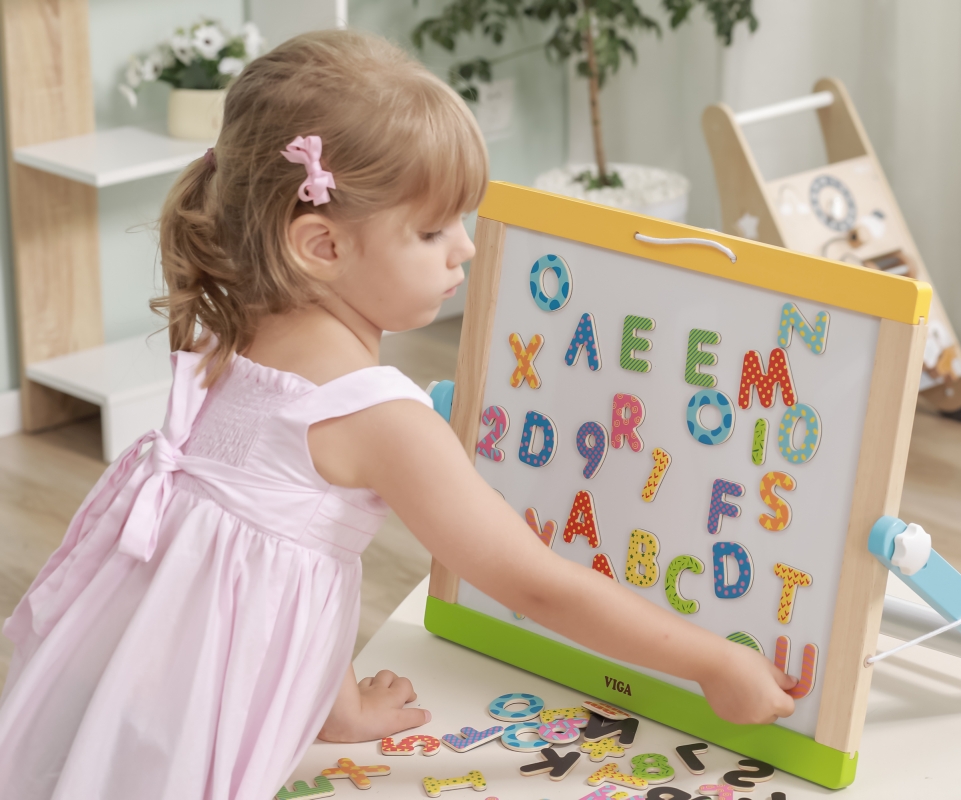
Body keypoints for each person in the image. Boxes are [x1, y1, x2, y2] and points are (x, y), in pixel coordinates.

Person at [0, 29, 796, 799]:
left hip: (144, 668)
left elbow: (261, 567)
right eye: (431, 230)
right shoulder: (380, 416)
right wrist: (712, 662)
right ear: (322, 246)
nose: (466, 249)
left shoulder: (236, 328)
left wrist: (337, 705)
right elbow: (535, 584)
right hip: (192, 713)